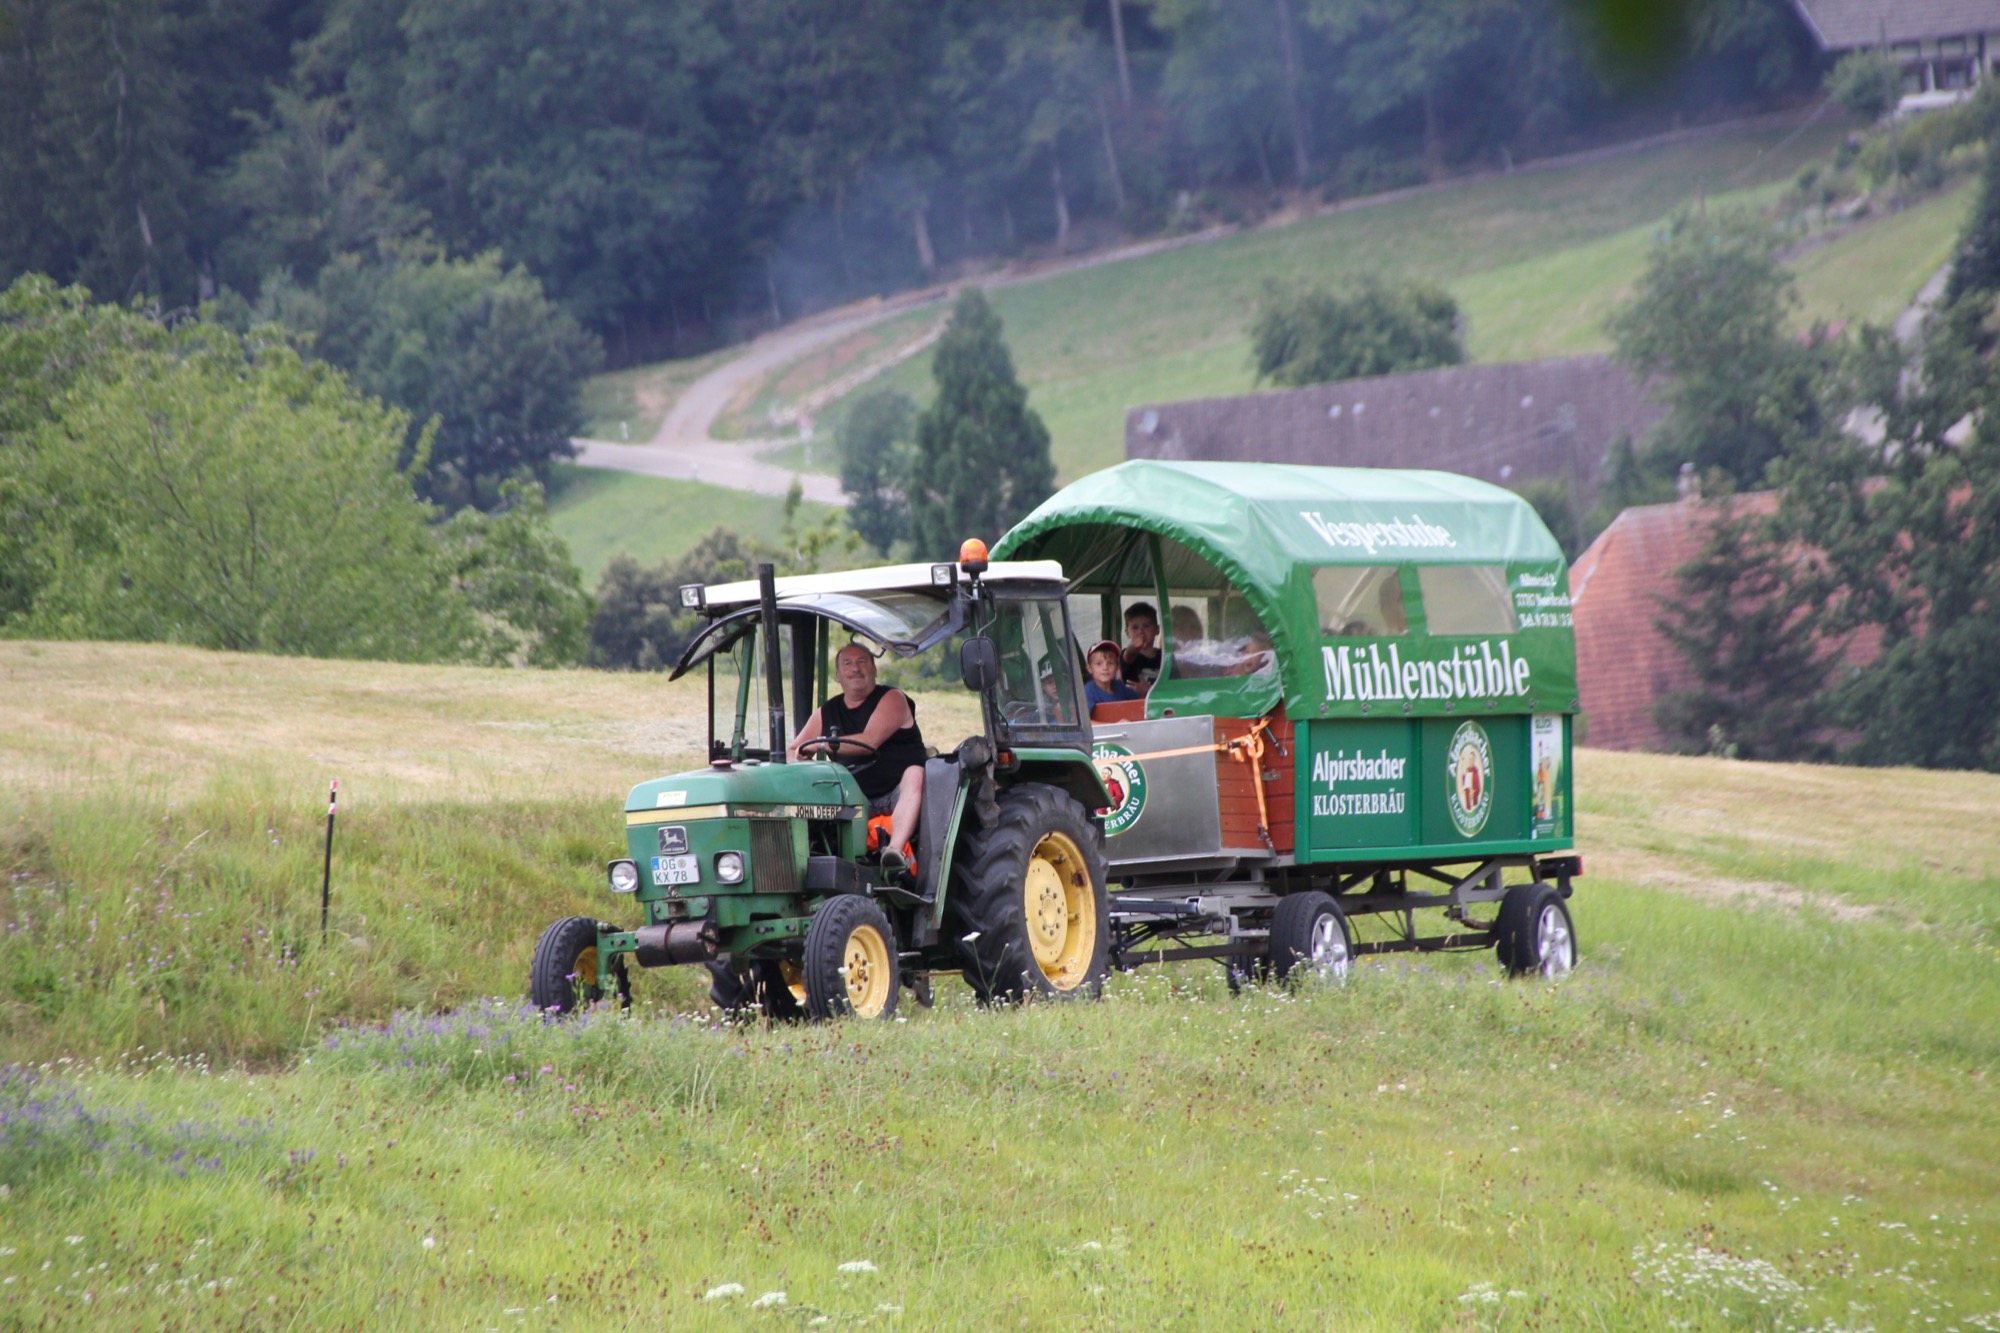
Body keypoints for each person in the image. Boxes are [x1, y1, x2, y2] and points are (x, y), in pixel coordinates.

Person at [789, 642, 926, 871]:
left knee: (915, 773)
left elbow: (868, 741)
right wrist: (802, 762)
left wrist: (824, 745)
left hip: (895, 791)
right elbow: (793, 750)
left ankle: (894, 851)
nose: (856, 668)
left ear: (874, 671)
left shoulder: (893, 698)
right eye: (848, 663)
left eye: (863, 662)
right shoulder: (827, 711)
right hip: (854, 795)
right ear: (838, 676)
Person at [1084, 639, 1144, 709]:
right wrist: (1117, 720)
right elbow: (1087, 719)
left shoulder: (1118, 686)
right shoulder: (1088, 691)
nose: (1105, 668)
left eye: (1110, 663)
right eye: (1099, 664)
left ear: (1116, 668)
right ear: (1089, 668)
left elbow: (1139, 700)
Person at [1120, 602, 1162, 685]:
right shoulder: (1128, 656)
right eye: (1135, 628)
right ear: (1127, 633)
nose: (1141, 632)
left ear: (1157, 629)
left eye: (1146, 626)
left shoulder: (1164, 656)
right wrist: (1134, 646)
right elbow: (1128, 655)